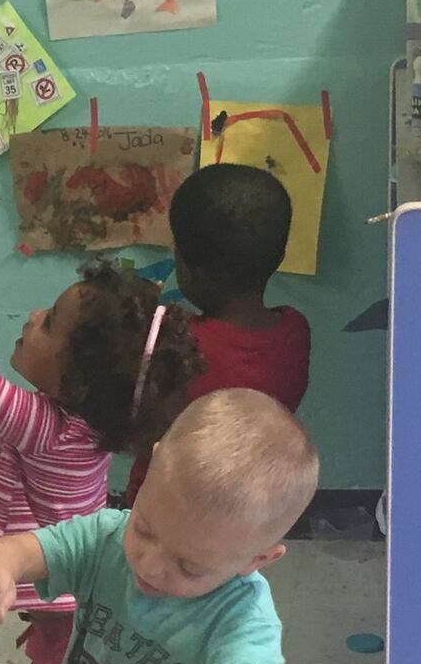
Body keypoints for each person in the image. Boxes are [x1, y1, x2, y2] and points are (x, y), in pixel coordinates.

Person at [0, 185, 202, 664]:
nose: (32, 317)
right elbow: (9, 411)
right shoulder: (89, 423)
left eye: (49, 323)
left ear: (78, 380)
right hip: (73, 576)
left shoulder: (46, 429)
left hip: (58, 585)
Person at [0, 389, 319, 664]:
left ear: (256, 560)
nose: (151, 565)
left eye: (188, 566)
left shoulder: (242, 613)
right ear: (151, 466)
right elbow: (22, 549)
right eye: (144, 529)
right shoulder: (106, 537)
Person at [121, 163, 311, 508]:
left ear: (190, 269)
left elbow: (132, 424)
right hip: (242, 515)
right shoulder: (295, 331)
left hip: (158, 512)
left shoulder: (173, 344)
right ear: (279, 256)